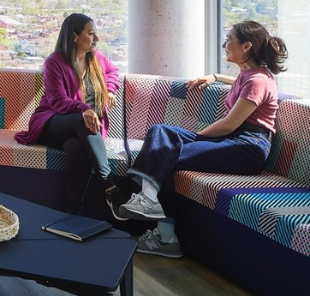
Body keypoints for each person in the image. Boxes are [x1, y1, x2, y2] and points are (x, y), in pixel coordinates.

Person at [116, 20, 284, 258]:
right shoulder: (250, 75)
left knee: (168, 154)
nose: (225, 43)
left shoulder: (257, 81)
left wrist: (194, 139)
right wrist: (215, 76)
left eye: (229, 39)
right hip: (234, 142)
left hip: (247, 148)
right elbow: (239, 85)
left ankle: (166, 237)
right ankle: (148, 198)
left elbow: (229, 125)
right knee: (161, 131)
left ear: (246, 46)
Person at [15, 13, 120, 214]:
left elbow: (113, 72)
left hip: (86, 131)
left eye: (95, 34)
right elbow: (57, 101)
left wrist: (111, 89)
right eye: (90, 34)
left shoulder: (97, 59)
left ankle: (72, 212)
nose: (96, 39)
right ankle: (109, 185)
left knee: (75, 146)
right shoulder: (55, 63)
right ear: (74, 37)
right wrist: (85, 109)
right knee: (81, 122)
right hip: (52, 123)